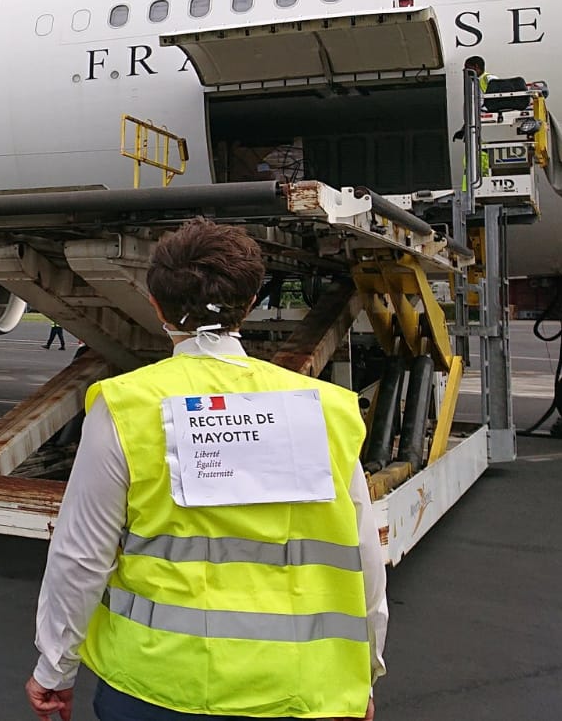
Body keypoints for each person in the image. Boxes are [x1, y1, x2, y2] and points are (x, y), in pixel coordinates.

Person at [26, 218, 386, 721]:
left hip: (159, 687)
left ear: (156, 305)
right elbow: (364, 555)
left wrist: (55, 668)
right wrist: (363, 671)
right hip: (303, 689)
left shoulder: (129, 406)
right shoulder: (323, 409)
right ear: (253, 300)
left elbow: (82, 556)